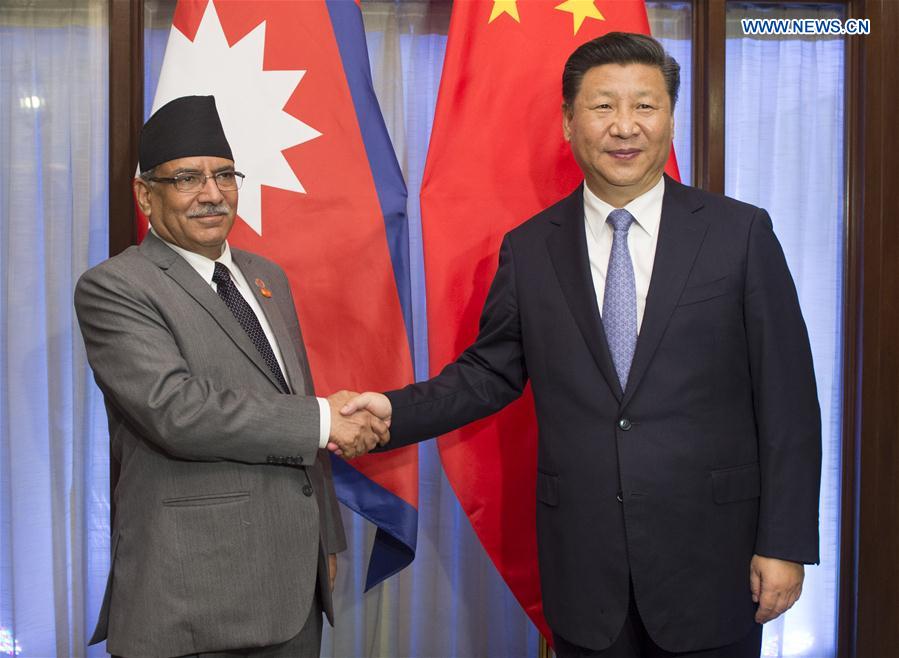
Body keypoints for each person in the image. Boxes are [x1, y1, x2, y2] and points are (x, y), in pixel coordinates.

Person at [341, 33, 821, 657]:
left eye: (644, 106)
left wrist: (784, 543)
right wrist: (393, 409)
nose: (625, 126)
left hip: (715, 563)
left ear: (671, 117)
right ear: (569, 123)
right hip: (585, 572)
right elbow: (489, 373)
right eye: (603, 107)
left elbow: (790, 402)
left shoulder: (741, 234)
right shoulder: (532, 248)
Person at [75, 95, 386, 657]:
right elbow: (177, 412)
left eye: (224, 175)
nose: (212, 193)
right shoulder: (117, 287)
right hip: (194, 593)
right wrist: (326, 419)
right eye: (187, 178)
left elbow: (289, 399)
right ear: (146, 195)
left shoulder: (266, 276)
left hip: (294, 585)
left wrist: (326, 538)